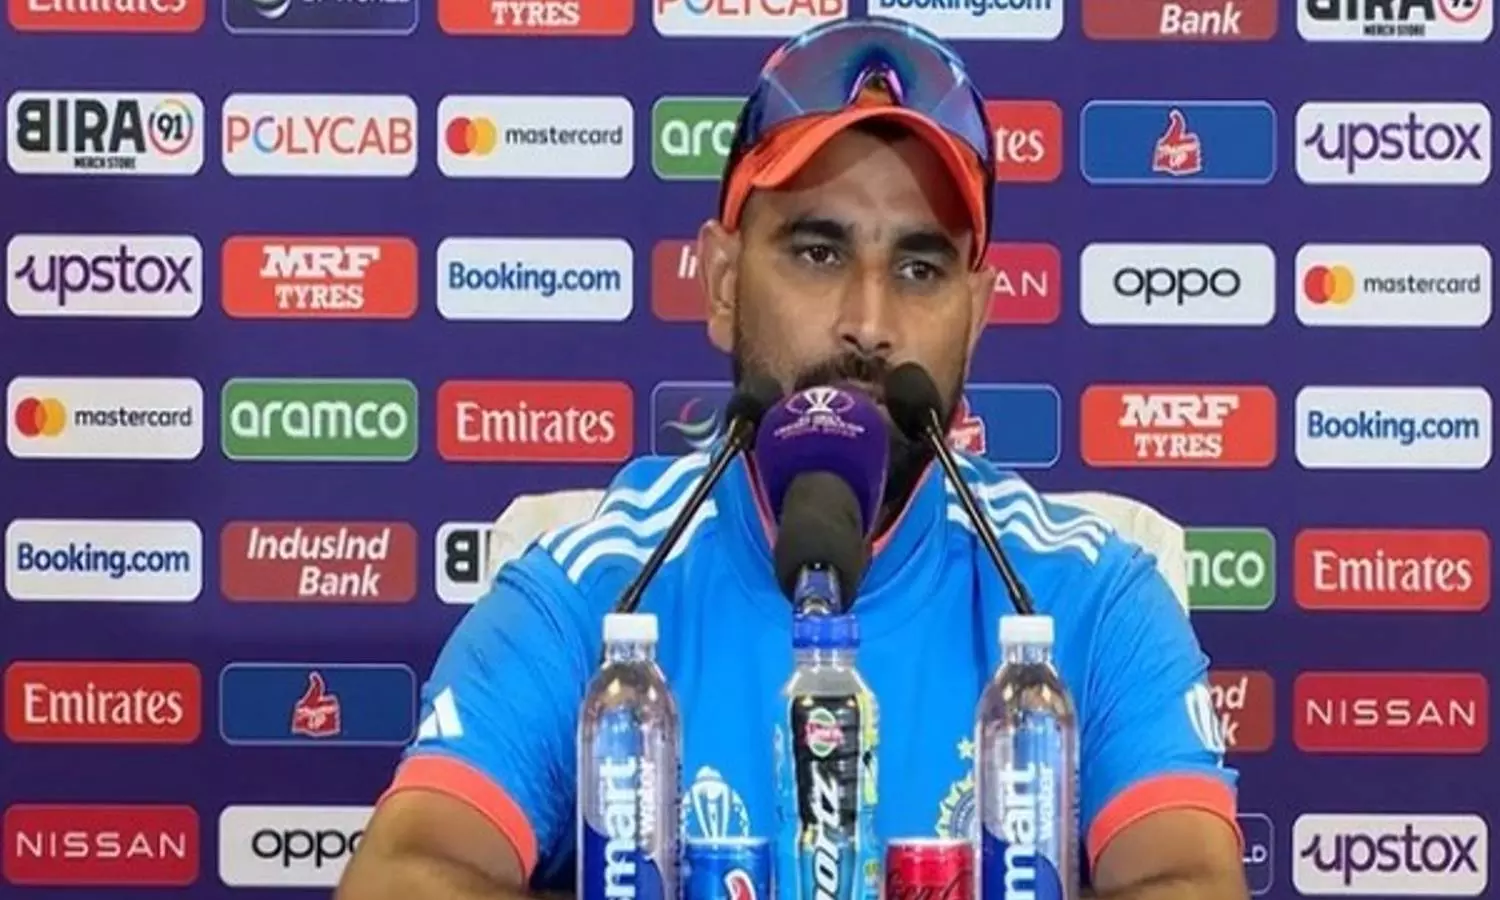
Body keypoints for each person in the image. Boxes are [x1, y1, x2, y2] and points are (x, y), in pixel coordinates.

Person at [336, 17, 1249, 900]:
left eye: (921, 269)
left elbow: (1192, 885)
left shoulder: (1088, 592)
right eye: (818, 252)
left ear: (977, 314)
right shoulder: (594, 584)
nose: (869, 322)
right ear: (723, 283)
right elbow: (399, 879)